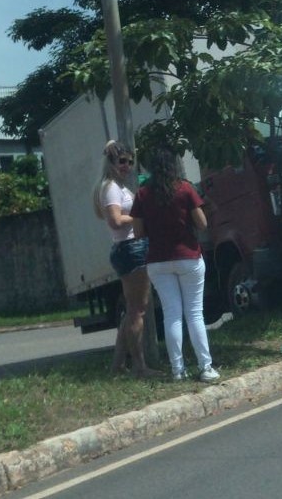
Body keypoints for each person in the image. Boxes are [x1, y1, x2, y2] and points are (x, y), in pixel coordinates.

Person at [131, 146, 219, 383]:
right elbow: (201, 224)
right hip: (188, 256)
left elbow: (137, 232)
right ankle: (206, 367)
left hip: (158, 261)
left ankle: (177, 370)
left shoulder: (142, 194)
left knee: (172, 315)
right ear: (173, 167)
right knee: (194, 314)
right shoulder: (185, 189)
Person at [93, 140, 161, 378]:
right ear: (111, 162)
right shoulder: (111, 187)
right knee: (137, 311)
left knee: (132, 310)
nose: (127, 166)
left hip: (128, 248)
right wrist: (141, 216)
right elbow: (115, 220)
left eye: (130, 162)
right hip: (131, 248)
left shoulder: (116, 186)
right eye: (122, 161)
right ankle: (140, 367)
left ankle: (118, 364)